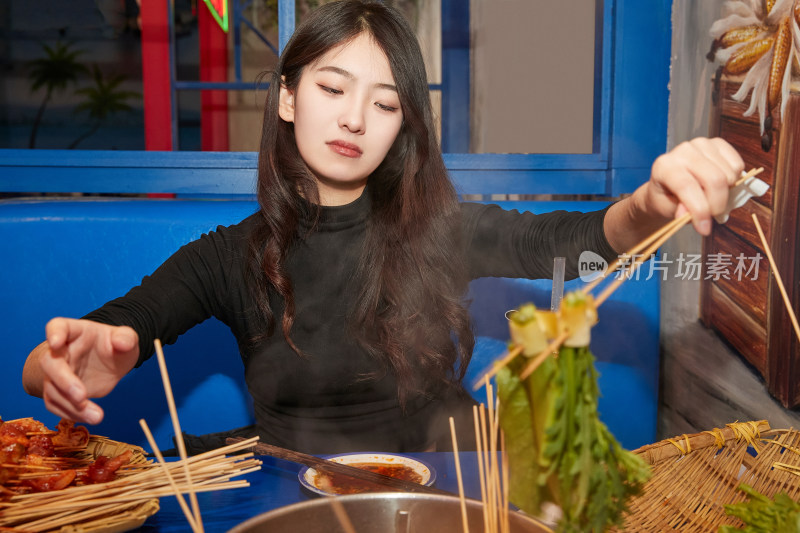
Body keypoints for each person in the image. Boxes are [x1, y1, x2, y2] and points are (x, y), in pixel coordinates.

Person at [22, 0, 744, 454]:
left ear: (402, 126)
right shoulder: (229, 257)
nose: (354, 117)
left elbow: (570, 242)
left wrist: (654, 199)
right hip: (292, 480)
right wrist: (56, 364)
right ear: (287, 98)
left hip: (449, 479)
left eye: (386, 102)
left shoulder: (438, 230)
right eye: (333, 88)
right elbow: (96, 336)